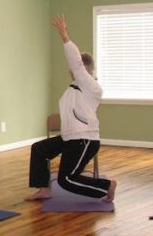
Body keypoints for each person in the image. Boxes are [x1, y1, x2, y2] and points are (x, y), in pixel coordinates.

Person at [26, 15, 116, 202]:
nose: (71, 70)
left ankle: (107, 186)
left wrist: (65, 36)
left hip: (84, 139)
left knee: (66, 180)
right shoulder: (76, 86)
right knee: (39, 149)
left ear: (84, 70)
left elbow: (75, 62)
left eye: (75, 69)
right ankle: (44, 189)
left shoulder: (91, 86)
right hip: (70, 137)